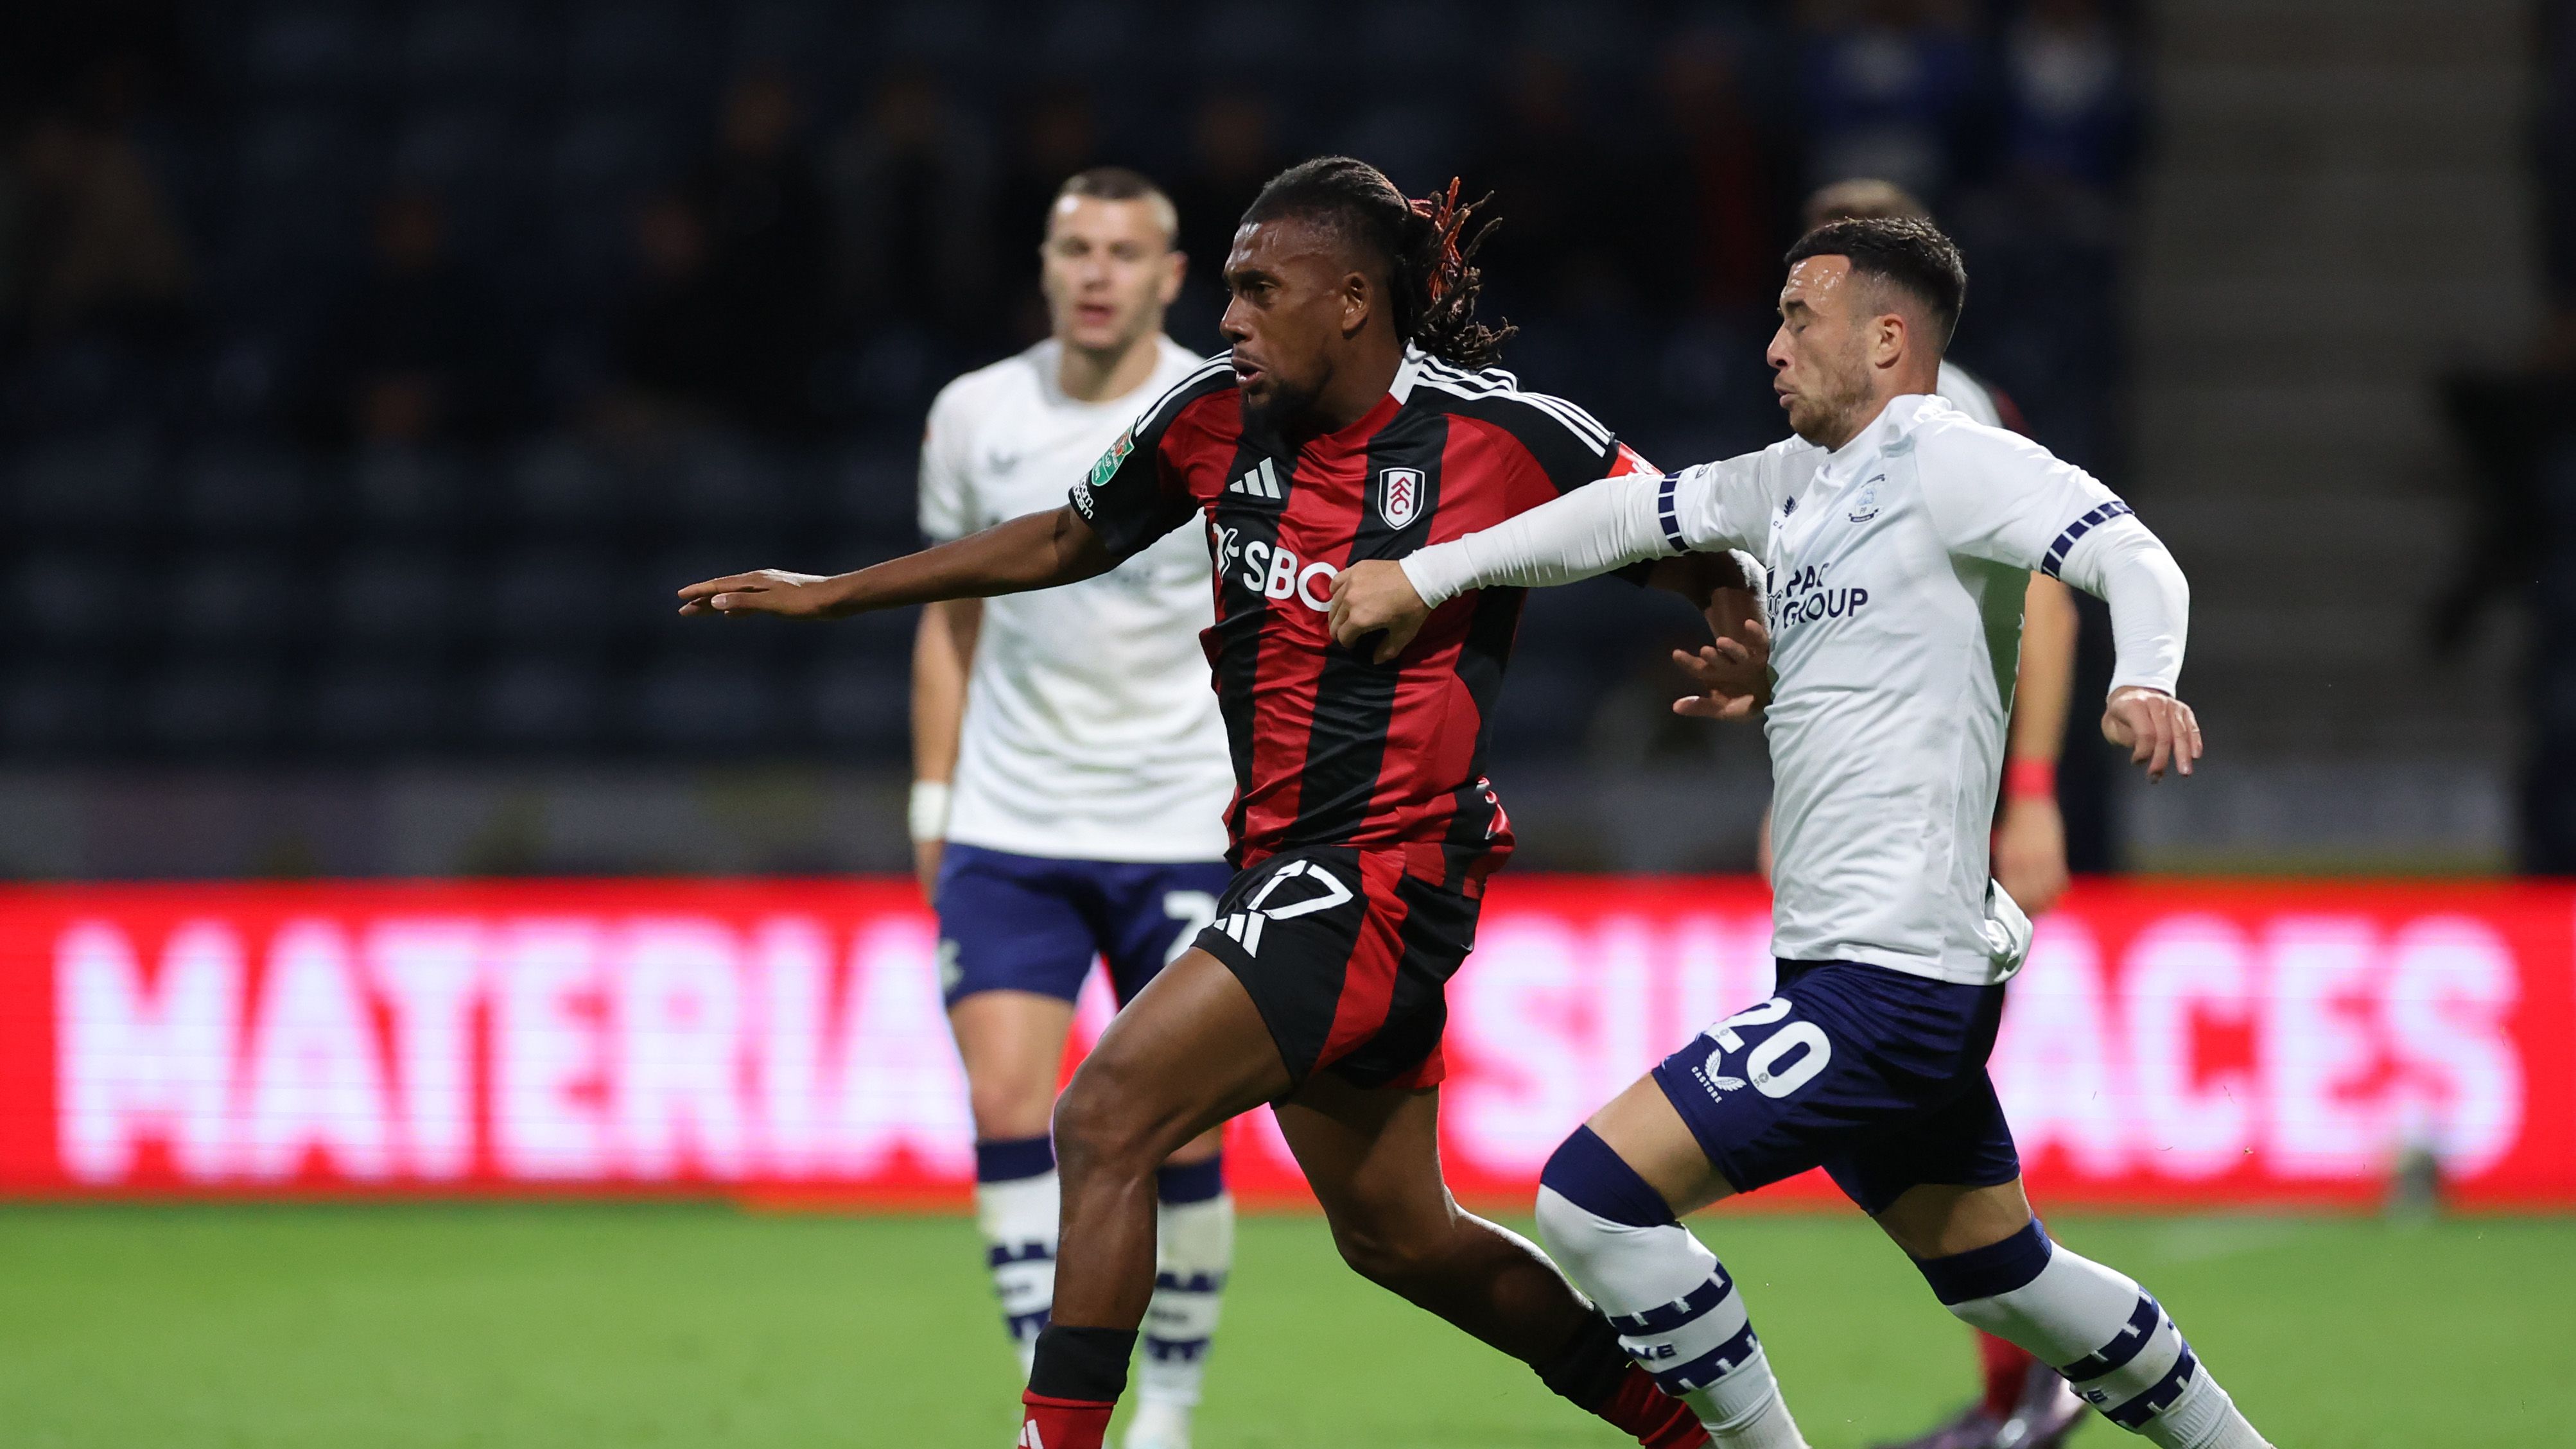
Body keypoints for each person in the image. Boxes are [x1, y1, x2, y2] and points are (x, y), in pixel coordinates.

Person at [681, 155, 1735, 1449]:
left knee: (1104, 1111)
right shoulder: (1212, 417)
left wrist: (1744, 641)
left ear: (1351, 299)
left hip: (1384, 871)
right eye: (1227, 290)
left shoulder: (1501, 435)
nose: (1228, 318)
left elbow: (1686, 537)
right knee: (1400, 1236)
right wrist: (835, 588)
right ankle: (1683, 1433)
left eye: (1255, 288)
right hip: (1280, 863)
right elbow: (1069, 535)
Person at [1330, 217, 2270, 1449]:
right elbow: (1615, 521)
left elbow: (2134, 556)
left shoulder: (1952, 457)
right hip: (1851, 963)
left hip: (1893, 975)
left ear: (1888, 339)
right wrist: (1438, 570)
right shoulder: (1791, 483)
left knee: (1594, 1203)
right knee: (2006, 1276)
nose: (1772, 344)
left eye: (1798, 318)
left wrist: (2145, 675)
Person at [909, 166, 1235, 1449]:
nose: (1095, 270)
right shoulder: (971, 415)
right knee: (1006, 1104)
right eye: (1073, 247)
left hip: (1180, 820)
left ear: (1169, 274)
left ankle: (1167, 1406)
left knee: (1171, 1124)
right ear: (1043, 266)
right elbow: (949, 614)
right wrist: (934, 797)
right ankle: (1048, 1404)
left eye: (1123, 250)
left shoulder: (1220, 410)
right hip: (1010, 820)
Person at [1801, 177, 2084, 1449]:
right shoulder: (1838, 428)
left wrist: (2027, 796)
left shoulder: (1941, 419)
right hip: (1881, 814)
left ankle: (2037, 1377)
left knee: (1921, 1099)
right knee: (1918, 1105)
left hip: (1943, 813)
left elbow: (2052, 597)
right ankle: (2022, 1383)